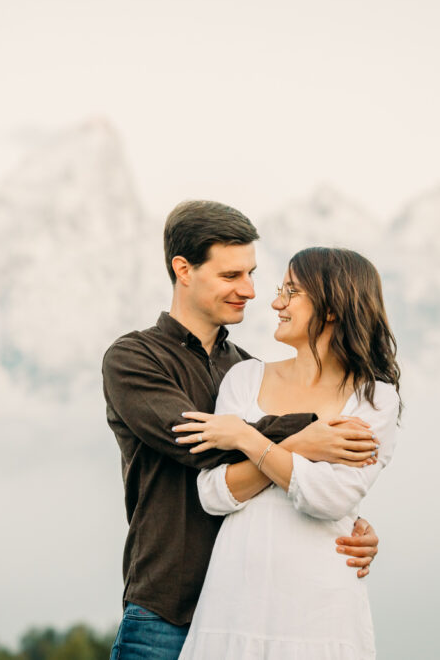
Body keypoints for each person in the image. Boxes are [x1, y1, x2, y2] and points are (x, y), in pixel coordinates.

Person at [102, 202, 383, 660]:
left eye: (252, 273)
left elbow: (278, 476)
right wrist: (303, 438)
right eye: (232, 275)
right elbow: (199, 443)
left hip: (251, 614)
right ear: (183, 269)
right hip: (167, 613)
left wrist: (347, 521)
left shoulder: (250, 372)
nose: (250, 291)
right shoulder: (134, 358)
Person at [172, 246, 402, 659]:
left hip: (319, 611)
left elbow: (330, 499)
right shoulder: (245, 378)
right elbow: (212, 493)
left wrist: (246, 439)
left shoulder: (374, 398)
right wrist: (302, 446)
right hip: (234, 603)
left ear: (331, 308)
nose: (276, 302)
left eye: (291, 292)